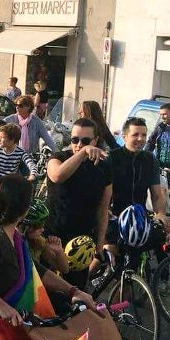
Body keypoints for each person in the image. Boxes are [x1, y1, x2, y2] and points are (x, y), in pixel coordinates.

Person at [0, 175, 96, 340]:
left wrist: (73, 291)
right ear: (23, 210)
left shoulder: (15, 236)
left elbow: (36, 270)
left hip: (15, 327)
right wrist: (1, 305)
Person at [45, 118, 112, 285]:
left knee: (75, 291)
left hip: (82, 241)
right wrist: (82, 154)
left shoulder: (103, 167)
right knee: (49, 290)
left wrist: (100, 242)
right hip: (53, 236)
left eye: (85, 140)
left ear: (95, 140)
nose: (79, 144)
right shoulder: (58, 157)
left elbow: (103, 209)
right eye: (75, 139)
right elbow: (57, 176)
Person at [110, 117, 170, 233]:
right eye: (135, 135)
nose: (140, 139)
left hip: (140, 219)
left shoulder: (150, 159)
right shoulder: (112, 158)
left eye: (144, 135)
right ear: (124, 136)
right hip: (114, 217)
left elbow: (157, 195)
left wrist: (160, 214)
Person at [20, 200, 69, 275]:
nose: (42, 229)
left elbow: (64, 269)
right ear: (27, 227)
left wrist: (59, 251)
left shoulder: (38, 242)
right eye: (39, 226)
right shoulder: (13, 243)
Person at [146, 102, 170, 190]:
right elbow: (150, 142)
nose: (162, 117)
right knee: (158, 196)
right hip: (159, 170)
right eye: (161, 114)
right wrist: (145, 157)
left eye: (164, 114)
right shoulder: (160, 127)